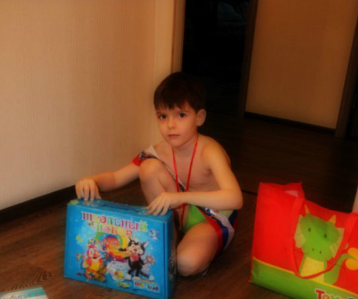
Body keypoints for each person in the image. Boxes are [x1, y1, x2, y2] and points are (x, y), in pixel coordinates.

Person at [75, 72, 243, 276]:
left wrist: (180, 197)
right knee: (148, 168)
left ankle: (195, 247)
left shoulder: (210, 150)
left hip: (212, 217)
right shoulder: (157, 151)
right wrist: (91, 181)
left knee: (185, 263)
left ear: (199, 117)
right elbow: (117, 177)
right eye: (163, 116)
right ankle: (170, 235)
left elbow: (235, 198)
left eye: (181, 115)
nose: (170, 125)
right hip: (181, 211)